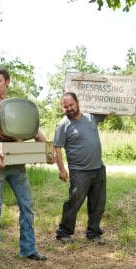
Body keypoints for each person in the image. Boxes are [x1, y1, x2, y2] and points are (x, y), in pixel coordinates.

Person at [0, 66, 47, 265]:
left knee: (27, 206)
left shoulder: (15, 105)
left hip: (16, 163)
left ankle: (28, 249)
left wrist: (47, 149)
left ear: (7, 82)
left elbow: (34, 131)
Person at [54, 92, 107, 245]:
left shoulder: (91, 117)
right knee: (74, 202)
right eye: (65, 106)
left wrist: (130, 102)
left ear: (77, 103)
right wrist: (61, 169)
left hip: (98, 168)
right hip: (79, 172)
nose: (69, 108)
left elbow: (111, 109)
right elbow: (57, 148)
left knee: (98, 203)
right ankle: (63, 232)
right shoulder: (63, 124)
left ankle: (94, 233)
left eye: (71, 105)